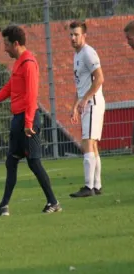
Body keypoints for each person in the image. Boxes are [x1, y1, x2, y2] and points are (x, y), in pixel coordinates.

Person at [0, 25, 61, 216]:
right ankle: (4, 206)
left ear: (16, 44)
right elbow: (9, 88)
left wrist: (28, 123)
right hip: (18, 120)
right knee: (11, 162)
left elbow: (31, 96)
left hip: (27, 121)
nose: (4, 49)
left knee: (34, 162)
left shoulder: (28, 63)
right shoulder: (19, 62)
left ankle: (53, 202)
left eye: (6, 44)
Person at [69, 21, 105, 198]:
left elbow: (99, 79)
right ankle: (97, 186)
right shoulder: (77, 55)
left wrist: (86, 99)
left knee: (87, 143)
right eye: (71, 34)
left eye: (76, 34)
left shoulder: (88, 53)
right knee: (93, 145)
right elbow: (80, 85)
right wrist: (75, 106)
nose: (73, 38)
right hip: (88, 103)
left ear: (84, 35)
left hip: (93, 103)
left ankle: (88, 186)